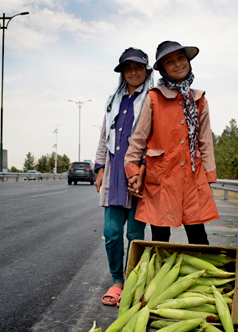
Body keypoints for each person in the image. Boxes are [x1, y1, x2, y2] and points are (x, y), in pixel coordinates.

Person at [124, 40, 219, 245]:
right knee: (160, 237)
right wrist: (132, 169)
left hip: (192, 178)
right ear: (163, 70)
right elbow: (139, 138)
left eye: (180, 58)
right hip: (161, 178)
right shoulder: (154, 98)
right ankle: (160, 274)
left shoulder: (199, 99)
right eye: (169, 62)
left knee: (198, 236)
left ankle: (199, 275)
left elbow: (205, 141)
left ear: (188, 62)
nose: (177, 64)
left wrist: (209, 176)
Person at [94, 47, 153, 306]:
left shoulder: (152, 98)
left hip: (139, 175)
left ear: (146, 71)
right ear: (122, 73)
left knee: (135, 234)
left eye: (138, 67)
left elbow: (154, 137)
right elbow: (104, 136)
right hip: (114, 174)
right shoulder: (113, 100)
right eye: (128, 68)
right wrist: (99, 168)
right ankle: (117, 281)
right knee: (112, 232)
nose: (133, 72)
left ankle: (132, 281)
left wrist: (142, 170)